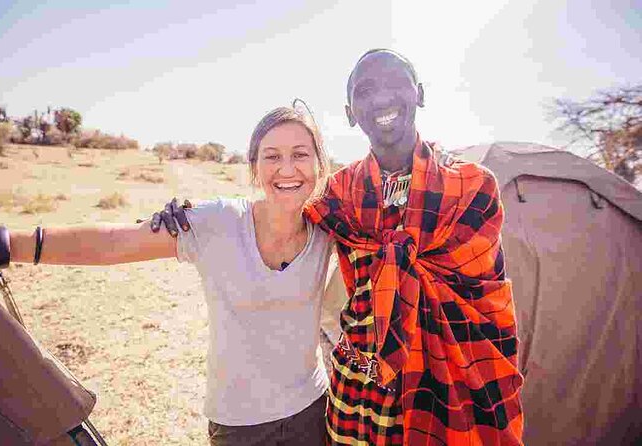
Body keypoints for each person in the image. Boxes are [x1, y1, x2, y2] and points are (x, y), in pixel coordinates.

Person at [161, 49, 525, 445]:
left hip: (451, 381)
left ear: (418, 93)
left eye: (395, 83)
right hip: (362, 391)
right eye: (366, 90)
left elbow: (486, 306)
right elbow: (279, 209)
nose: (382, 98)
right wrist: (194, 216)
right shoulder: (339, 194)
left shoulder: (471, 186)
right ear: (351, 112)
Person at [0, 104, 333, 446]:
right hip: (239, 423)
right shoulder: (217, 223)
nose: (287, 168)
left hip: (313, 410)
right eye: (272, 156)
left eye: (300, 154)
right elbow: (111, 244)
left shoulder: (330, 229)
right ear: (254, 168)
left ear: (320, 165)